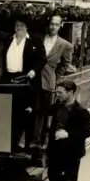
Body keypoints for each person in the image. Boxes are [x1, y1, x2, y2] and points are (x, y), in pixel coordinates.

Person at [47, 81, 90, 181]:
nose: (57, 95)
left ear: (71, 92)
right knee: (52, 176)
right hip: (56, 148)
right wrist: (31, 109)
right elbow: (46, 109)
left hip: (72, 150)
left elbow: (87, 131)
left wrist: (68, 134)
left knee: (70, 178)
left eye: (60, 92)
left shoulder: (81, 112)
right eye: (56, 92)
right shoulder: (58, 106)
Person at [31, 15, 74, 155]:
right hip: (33, 78)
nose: (53, 27)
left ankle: (40, 142)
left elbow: (65, 63)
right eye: (51, 24)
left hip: (48, 81)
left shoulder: (65, 45)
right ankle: (30, 141)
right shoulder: (39, 39)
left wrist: (55, 76)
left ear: (61, 25)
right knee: (32, 110)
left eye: (56, 24)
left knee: (43, 112)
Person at [2, 17, 47, 151]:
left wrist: (34, 70)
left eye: (22, 25)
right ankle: (11, 143)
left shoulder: (35, 40)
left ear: (27, 27)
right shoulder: (9, 39)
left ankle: (25, 145)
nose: (19, 28)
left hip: (26, 80)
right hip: (10, 80)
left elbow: (42, 59)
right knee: (11, 112)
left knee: (26, 113)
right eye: (17, 25)